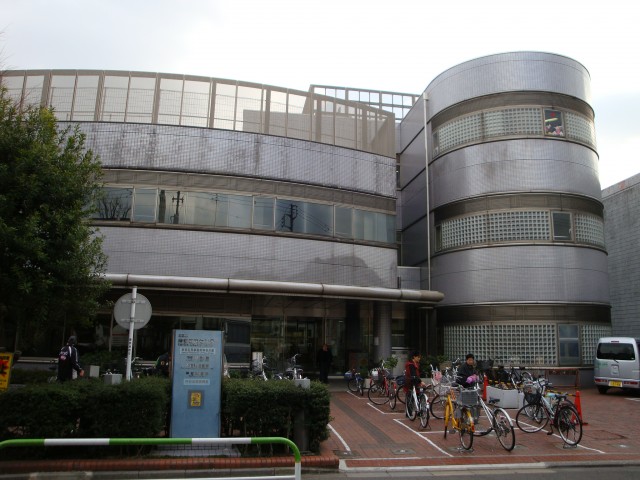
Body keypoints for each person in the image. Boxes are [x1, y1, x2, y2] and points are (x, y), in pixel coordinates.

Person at [404, 351, 427, 417]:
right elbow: (414, 375)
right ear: (414, 357)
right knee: (412, 397)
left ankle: (413, 412)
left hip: (413, 382)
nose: (419, 358)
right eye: (418, 357)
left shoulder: (415, 364)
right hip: (411, 382)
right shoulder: (411, 365)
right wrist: (420, 381)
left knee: (416, 396)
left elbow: (417, 373)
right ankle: (410, 413)